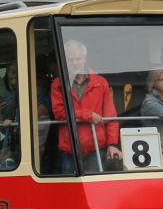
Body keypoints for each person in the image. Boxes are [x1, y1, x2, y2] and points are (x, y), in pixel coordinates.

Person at [50, 40, 121, 173]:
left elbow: (110, 117)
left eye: (79, 58)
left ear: (85, 59)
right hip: (69, 150)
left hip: (96, 148)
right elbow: (59, 113)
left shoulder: (101, 83)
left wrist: (112, 144)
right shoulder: (57, 84)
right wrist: (87, 115)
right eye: (71, 59)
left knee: (97, 190)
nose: (75, 63)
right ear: (64, 60)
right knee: (70, 191)